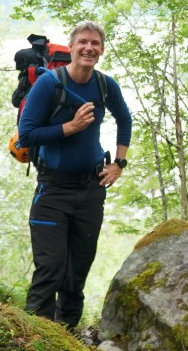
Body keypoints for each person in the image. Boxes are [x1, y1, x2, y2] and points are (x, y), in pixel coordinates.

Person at [18, 20, 132, 328]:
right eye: (83, 42)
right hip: (53, 190)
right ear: (71, 48)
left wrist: (118, 163)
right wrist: (71, 127)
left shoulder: (106, 86)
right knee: (50, 269)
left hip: (91, 189)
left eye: (95, 43)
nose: (89, 48)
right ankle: (37, 339)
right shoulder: (49, 84)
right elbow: (26, 136)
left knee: (76, 271)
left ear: (102, 50)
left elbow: (125, 119)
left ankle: (66, 338)